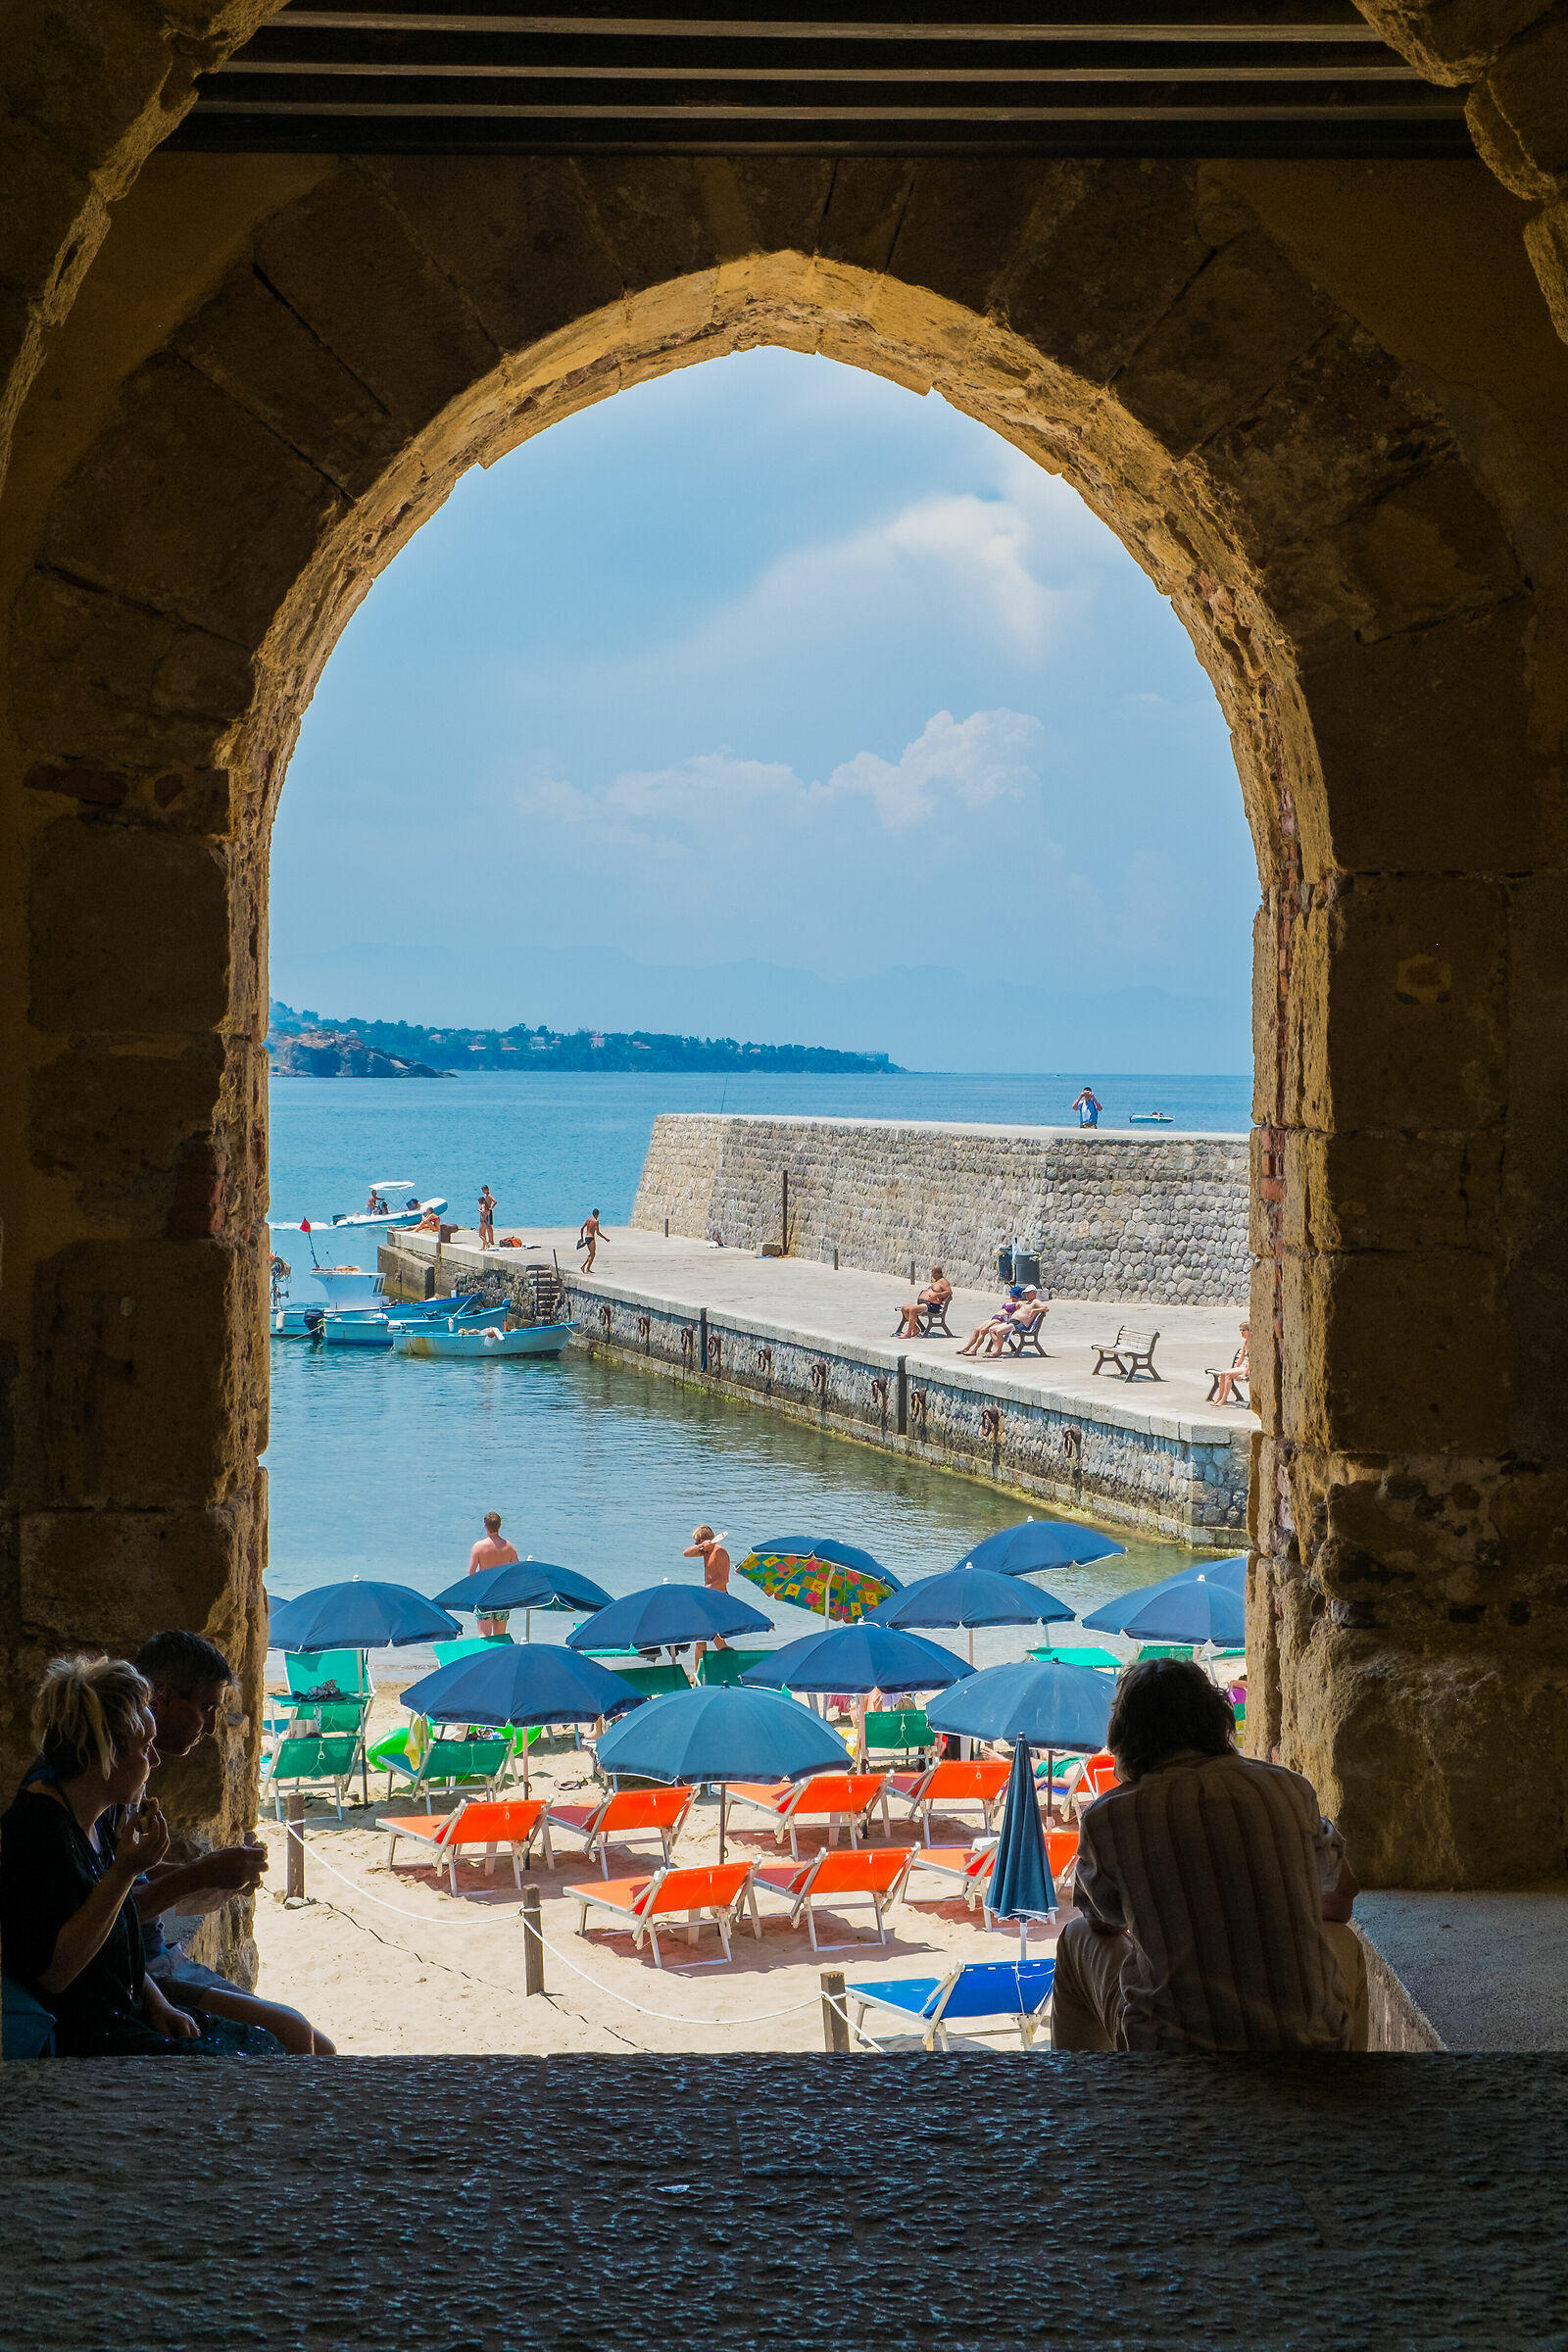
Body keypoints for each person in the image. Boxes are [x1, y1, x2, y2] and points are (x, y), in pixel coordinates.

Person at [1052, 1657, 1353, 2054]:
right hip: (1306, 2048)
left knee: (1076, 1936)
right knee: (1343, 1942)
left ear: (1124, 1736)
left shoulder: (1110, 1817)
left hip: (1172, 2055)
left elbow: (1103, 1923)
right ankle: (1349, 2076)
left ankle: (1079, 2085)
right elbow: (1343, 1898)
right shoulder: (1289, 1789)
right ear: (1217, 1719)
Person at [0, 1654, 257, 2056]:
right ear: (107, 1754)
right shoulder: (38, 1832)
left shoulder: (90, 1816)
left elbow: (114, 1944)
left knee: (269, 2046)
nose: (154, 1760)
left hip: (132, 2008)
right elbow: (55, 1974)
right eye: (145, 1746)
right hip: (90, 2035)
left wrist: (157, 2003)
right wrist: (126, 1871)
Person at [131, 1631, 335, 2055]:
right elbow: (110, 1914)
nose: (210, 1727)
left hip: (154, 1959)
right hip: (137, 1971)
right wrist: (200, 1874)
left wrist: (214, 1876)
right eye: (205, 1708)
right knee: (296, 2035)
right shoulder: (118, 1779)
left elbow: (127, 1878)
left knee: (321, 2046)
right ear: (163, 1696)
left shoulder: (129, 1772)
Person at [468, 1509, 519, 1639]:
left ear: (485, 1525)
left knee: (484, 1637)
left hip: (485, 1594)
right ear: (500, 1525)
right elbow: (517, 1573)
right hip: (503, 1595)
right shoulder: (509, 1547)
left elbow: (471, 1575)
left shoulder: (478, 1547)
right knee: (500, 1637)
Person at [683, 1525, 731, 1658]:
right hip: (708, 1597)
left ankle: (730, 1662)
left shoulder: (719, 1552)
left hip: (718, 1598)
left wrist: (705, 1590)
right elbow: (686, 1553)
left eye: (696, 1542)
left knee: (715, 1636)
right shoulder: (705, 1551)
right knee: (700, 1636)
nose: (696, 1545)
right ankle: (699, 1669)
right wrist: (701, 1546)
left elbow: (724, 1579)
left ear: (702, 1539)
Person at [956, 1286, 1023, 1356]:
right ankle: (966, 1348)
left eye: (1012, 1294)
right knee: (977, 1330)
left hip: (1001, 1319)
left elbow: (1024, 1309)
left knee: (982, 1331)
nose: (1011, 1296)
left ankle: (974, 1350)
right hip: (995, 1317)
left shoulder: (1019, 1303)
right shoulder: (1009, 1302)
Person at [984, 1285, 1044, 1355]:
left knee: (999, 1331)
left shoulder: (1035, 1301)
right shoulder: (1028, 1302)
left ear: (1034, 1293)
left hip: (1019, 1324)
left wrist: (1034, 1311)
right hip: (1012, 1322)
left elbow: (1045, 1308)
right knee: (991, 1329)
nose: (1026, 1294)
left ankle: (998, 1351)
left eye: (1028, 1293)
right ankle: (997, 1349)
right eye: (1026, 1293)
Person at [898, 1265, 953, 1339]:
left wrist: (937, 1295)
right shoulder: (936, 1281)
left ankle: (908, 1333)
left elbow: (949, 1292)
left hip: (932, 1306)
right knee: (904, 1308)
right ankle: (915, 1328)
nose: (932, 1275)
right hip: (925, 1304)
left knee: (913, 1309)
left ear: (937, 1273)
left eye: (932, 1272)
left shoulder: (943, 1281)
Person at [1208, 1321, 1250, 1405]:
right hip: (1245, 1368)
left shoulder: (1253, 1344)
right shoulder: (1246, 1343)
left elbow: (1252, 1361)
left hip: (1250, 1369)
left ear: (1249, 1331)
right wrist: (1234, 1369)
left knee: (1228, 1374)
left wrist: (1244, 1373)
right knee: (1223, 1374)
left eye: (1243, 1330)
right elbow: (1241, 1358)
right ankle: (1220, 1398)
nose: (1241, 1332)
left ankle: (1224, 1400)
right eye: (1240, 1330)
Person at [578, 1208, 602, 1273]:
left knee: (591, 1254)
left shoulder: (588, 1220)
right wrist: (605, 1238)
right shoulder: (596, 1221)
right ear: (598, 1214)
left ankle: (583, 1267)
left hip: (586, 1238)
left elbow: (582, 1228)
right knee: (593, 1254)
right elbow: (597, 1232)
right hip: (591, 1238)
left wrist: (582, 1238)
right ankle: (587, 1269)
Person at [477, 1186, 496, 1250]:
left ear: (487, 1189)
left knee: (489, 1226)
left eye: (484, 1190)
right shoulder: (486, 1196)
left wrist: (491, 1208)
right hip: (486, 1211)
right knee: (487, 1227)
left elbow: (495, 1202)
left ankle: (491, 1240)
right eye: (482, 1190)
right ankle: (488, 1242)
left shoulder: (489, 1196)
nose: (483, 1192)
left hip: (488, 1211)